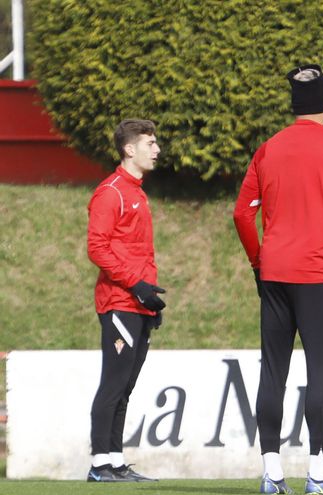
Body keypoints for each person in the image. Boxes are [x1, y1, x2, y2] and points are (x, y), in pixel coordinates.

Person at [233, 64, 323, 495]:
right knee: (321, 372)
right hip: (317, 276)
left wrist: (258, 263)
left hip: (274, 274)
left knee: (273, 373)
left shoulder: (268, 149)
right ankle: (318, 475)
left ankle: (272, 475)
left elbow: (243, 213)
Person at [86, 119, 165, 483]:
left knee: (126, 386)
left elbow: (135, 252)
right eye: (150, 143)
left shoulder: (137, 192)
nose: (157, 149)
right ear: (129, 149)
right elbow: (97, 248)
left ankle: (115, 461)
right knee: (113, 384)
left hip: (137, 302)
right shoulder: (111, 192)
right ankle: (100, 464)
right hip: (119, 301)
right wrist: (136, 285)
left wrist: (149, 297)